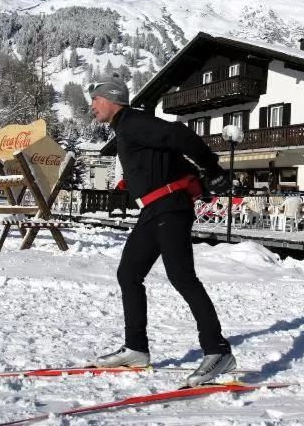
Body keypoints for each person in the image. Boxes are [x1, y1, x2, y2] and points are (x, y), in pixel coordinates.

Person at [88, 74, 236, 386]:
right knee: (128, 274)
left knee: (182, 277)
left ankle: (218, 350)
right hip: (153, 210)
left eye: (96, 99)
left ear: (112, 99)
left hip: (171, 207)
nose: (92, 106)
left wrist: (213, 169)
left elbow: (179, 135)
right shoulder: (126, 128)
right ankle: (136, 349)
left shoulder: (133, 121)